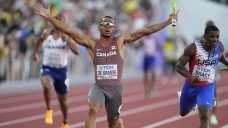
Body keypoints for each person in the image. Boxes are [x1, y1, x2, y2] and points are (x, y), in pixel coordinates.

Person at [34, 2, 179, 128]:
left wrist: (167, 21)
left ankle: (118, 124)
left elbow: (146, 30)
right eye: (105, 24)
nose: (108, 27)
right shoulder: (91, 43)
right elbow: (68, 30)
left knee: (113, 124)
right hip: (99, 86)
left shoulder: (121, 41)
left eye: (111, 25)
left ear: (114, 29)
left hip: (115, 89)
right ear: (99, 28)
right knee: (92, 109)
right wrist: (49, 17)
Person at [176, 25, 228, 128]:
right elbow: (179, 66)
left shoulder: (219, 47)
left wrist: (227, 64)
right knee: (183, 113)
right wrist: (190, 76)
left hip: (207, 86)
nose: (215, 39)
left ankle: (201, 101)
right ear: (204, 37)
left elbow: (219, 56)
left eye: (217, 37)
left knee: (204, 115)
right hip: (190, 86)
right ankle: (194, 102)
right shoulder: (193, 48)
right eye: (212, 37)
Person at [33, 13, 79, 128]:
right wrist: (35, 53)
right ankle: (49, 109)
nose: (57, 21)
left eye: (60, 19)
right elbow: (39, 41)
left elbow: (76, 51)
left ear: (64, 22)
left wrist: (68, 40)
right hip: (48, 68)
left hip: (61, 71)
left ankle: (65, 122)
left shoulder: (67, 35)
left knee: (62, 99)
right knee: (47, 85)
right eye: (56, 19)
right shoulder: (46, 33)